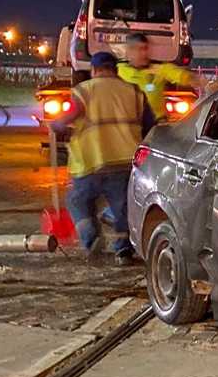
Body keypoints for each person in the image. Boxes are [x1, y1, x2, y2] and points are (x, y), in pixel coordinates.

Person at [49, 52, 157, 265]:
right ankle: (123, 252)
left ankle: (91, 239)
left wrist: (55, 124)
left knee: (78, 200)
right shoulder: (134, 92)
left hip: (90, 161)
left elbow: (70, 116)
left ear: (94, 70)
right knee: (122, 208)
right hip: (125, 161)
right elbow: (149, 126)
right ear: (115, 69)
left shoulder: (83, 91)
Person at [118, 32, 208, 122]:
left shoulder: (159, 69)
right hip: (130, 122)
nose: (144, 53)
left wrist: (207, 83)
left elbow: (183, 76)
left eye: (145, 49)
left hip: (156, 123)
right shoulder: (119, 71)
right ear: (129, 51)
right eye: (139, 49)